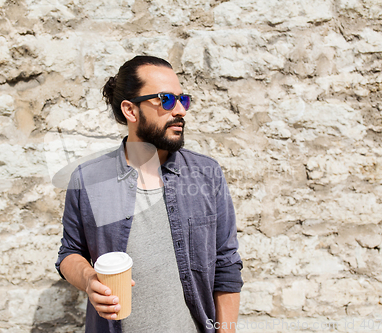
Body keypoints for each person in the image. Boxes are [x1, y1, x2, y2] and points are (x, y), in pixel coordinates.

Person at [55, 55, 243, 333]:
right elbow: (70, 253)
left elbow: (226, 265)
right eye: (166, 99)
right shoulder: (88, 179)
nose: (180, 110)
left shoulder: (207, 174)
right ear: (131, 110)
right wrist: (88, 279)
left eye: (183, 99)